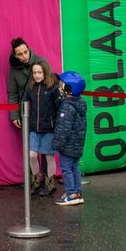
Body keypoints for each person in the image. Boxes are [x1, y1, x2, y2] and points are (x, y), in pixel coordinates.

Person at [22, 60, 61, 195]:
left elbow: (59, 107)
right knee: (32, 155)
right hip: (34, 128)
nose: (37, 75)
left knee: (49, 157)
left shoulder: (53, 88)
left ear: (45, 72)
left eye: (39, 72)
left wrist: (57, 126)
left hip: (49, 129)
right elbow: (25, 105)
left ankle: (50, 184)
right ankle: (36, 181)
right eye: (34, 73)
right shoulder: (30, 88)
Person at [53, 70, 88, 207]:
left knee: (66, 168)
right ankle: (77, 192)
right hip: (77, 145)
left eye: (62, 84)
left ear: (69, 89)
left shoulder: (67, 106)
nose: (59, 86)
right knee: (75, 167)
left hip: (67, 145)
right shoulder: (79, 103)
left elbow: (63, 128)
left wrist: (57, 144)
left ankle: (71, 193)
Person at [6, 37, 47, 129]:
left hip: (43, 111)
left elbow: (51, 84)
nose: (24, 56)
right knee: (27, 142)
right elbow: (12, 94)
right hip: (25, 112)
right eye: (20, 54)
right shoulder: (14, 70)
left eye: (25, 52)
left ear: (28, 49)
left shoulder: (41, 62)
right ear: (15, 55)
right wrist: (14, 115)